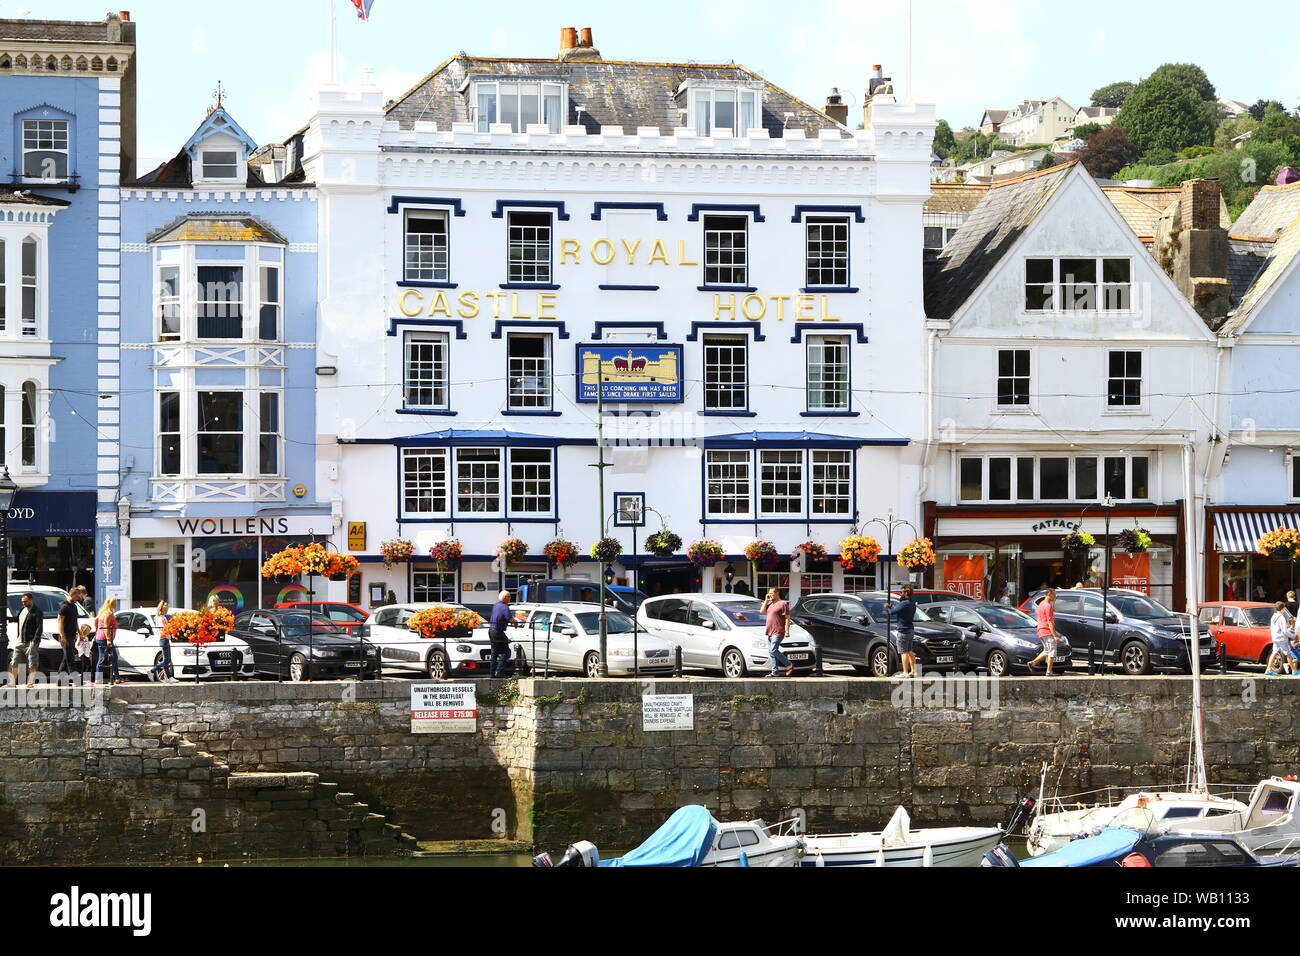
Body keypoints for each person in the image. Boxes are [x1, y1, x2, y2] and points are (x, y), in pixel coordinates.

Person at [760, 587, 794, 678]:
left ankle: (789, 665)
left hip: (778, 631)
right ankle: (775, 672)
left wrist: (787, 631)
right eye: (769, 593)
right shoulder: (770, 603)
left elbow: (787, 618)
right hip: (770, 631)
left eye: (771, 593)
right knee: (772, 653)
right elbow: (762, 611)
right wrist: (766, 600)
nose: (770, 595)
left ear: (777, 593)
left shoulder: (783, 604)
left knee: (773, 650)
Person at [11, 592, 44, 687]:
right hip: (20, 640)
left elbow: (39, 628)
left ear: (31, 600)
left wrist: (35, 641)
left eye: (25, 601)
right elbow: (18, 620)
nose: (23, 603)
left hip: (31, 641)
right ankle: (12, 683)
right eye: (22, 602)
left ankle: (30, 682)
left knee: (32, 662)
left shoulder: (37, 612)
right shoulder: (22, 610)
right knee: (14, 661)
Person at [1028, 587, 1060, 676]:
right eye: (1054, 595)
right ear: (1049, 594)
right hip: (1046, 630)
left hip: (1040, 630)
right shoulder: (1048, 606)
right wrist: (1055, 635)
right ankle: (1049, 671)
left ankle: (1032, 663)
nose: (1055, 597)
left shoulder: (1041, 604)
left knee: (1047, 650)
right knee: (1052, 651)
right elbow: (1050, 621)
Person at [55, 586, 85, 676]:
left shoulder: (74, 607)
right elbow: (60, 622)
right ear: (72, 595)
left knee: (66, 658)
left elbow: (75, 621)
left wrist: (80, 634)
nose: (79, 598)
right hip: (65, 636)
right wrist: (63, 636)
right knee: (70, 658)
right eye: (78, 596)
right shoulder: (64, 606)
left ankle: (59, 680)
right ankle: (75, 676)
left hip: (72, 636)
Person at [90, 597, 120, 685]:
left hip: (100, 637)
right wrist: (108, 639)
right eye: (115, 603)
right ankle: (117, 678)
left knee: (102, 658)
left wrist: (97, 631)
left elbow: (95, 621)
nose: (116, 604)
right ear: (112, 604)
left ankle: (99, 679)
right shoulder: (109, 613)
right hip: (105, 639)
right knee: (113, 657)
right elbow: (106, 626)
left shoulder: (102, 612)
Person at [148, 600, 178, 683]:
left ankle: (168, 677)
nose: (166, 611)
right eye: (165, 609)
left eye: (167, 609)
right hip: (163, 639)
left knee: (167, 659)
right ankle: (152, 670)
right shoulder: (160, 618)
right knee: (166, 660)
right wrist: (171, 627)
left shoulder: (163, 617)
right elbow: (163, 629)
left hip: (165, 639)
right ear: (161, 609)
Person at [1266, 602, 1299, 676]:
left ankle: (1268, 669)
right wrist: (1293, 635)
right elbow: (1285, 631)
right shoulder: (1281, 618)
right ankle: (1294, 670)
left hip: (1275, 637)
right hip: (1281, 638)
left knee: (1274, 653)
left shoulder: (1273, 616)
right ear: (1283, 608)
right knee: (1288, 654)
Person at [488, 590, 516, 678]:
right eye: (509, 596)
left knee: (494, 652)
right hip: (498, 631)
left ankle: (492, 673)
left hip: (491, 630)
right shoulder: (505, 606)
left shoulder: (496, 605)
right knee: (506, 652)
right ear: (505, 598)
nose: (510, 598)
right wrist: (516, 623)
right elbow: (509, 618)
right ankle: (499, 671)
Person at [893, 584, 918, 678]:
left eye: (901, 592)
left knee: (903, 652)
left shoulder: (904, 603)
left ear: (906, 593)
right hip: (910, 629)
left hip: (903, 630)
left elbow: (893, 611)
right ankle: (913, 671)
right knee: (910, 651)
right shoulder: (912, 603)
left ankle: (905, 672)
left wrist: (888, 607)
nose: (900, 594)